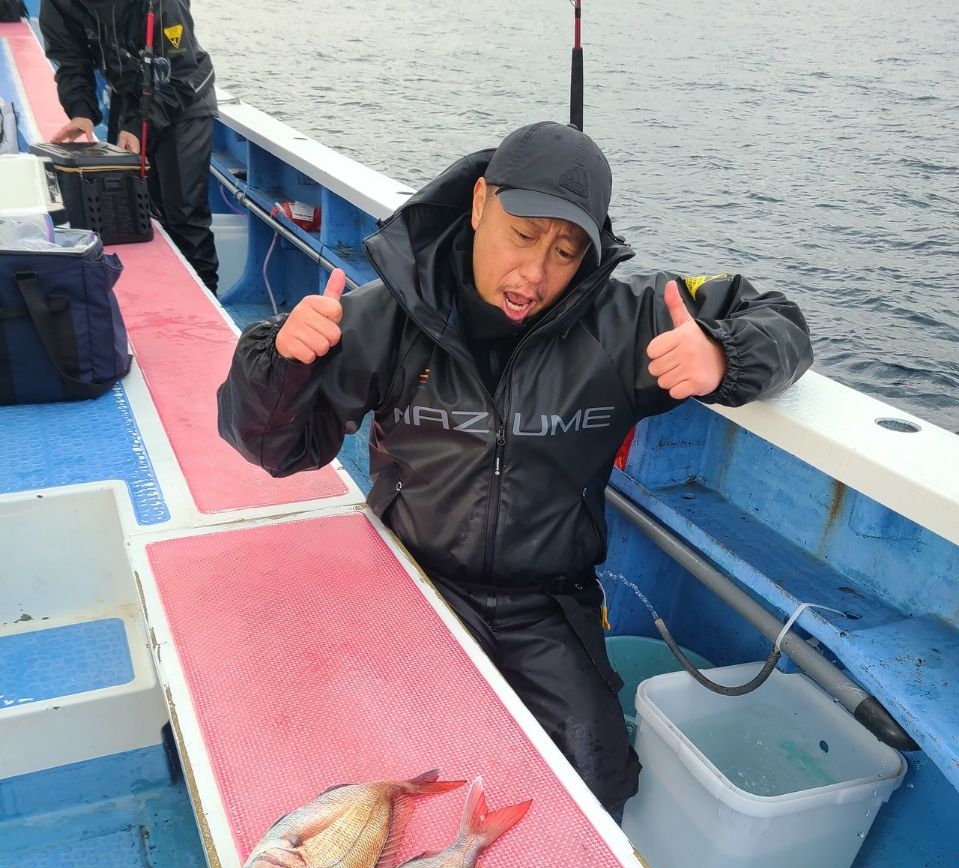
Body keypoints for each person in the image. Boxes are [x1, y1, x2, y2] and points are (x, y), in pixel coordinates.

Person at [217, 121, 813, 816]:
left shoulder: (627, 321)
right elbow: (272, 447)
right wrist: (280, 363)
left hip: (548, 603)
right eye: (522, 235)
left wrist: (721, 355)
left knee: (598, 783)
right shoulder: (386, 317)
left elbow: (779, 319)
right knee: (378, 777)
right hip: (415, 581)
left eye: (565, 251)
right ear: (478, 204)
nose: (534, 273)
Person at [39, 0, 218, 293]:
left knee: (184, 213)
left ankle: (205, 293)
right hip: (129, 96)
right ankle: (154, 288)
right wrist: (81, 110)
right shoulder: (59, 4)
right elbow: (71, 59)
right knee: (130, 207)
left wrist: (137, 126)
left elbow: (182, 71)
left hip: (184, 99)